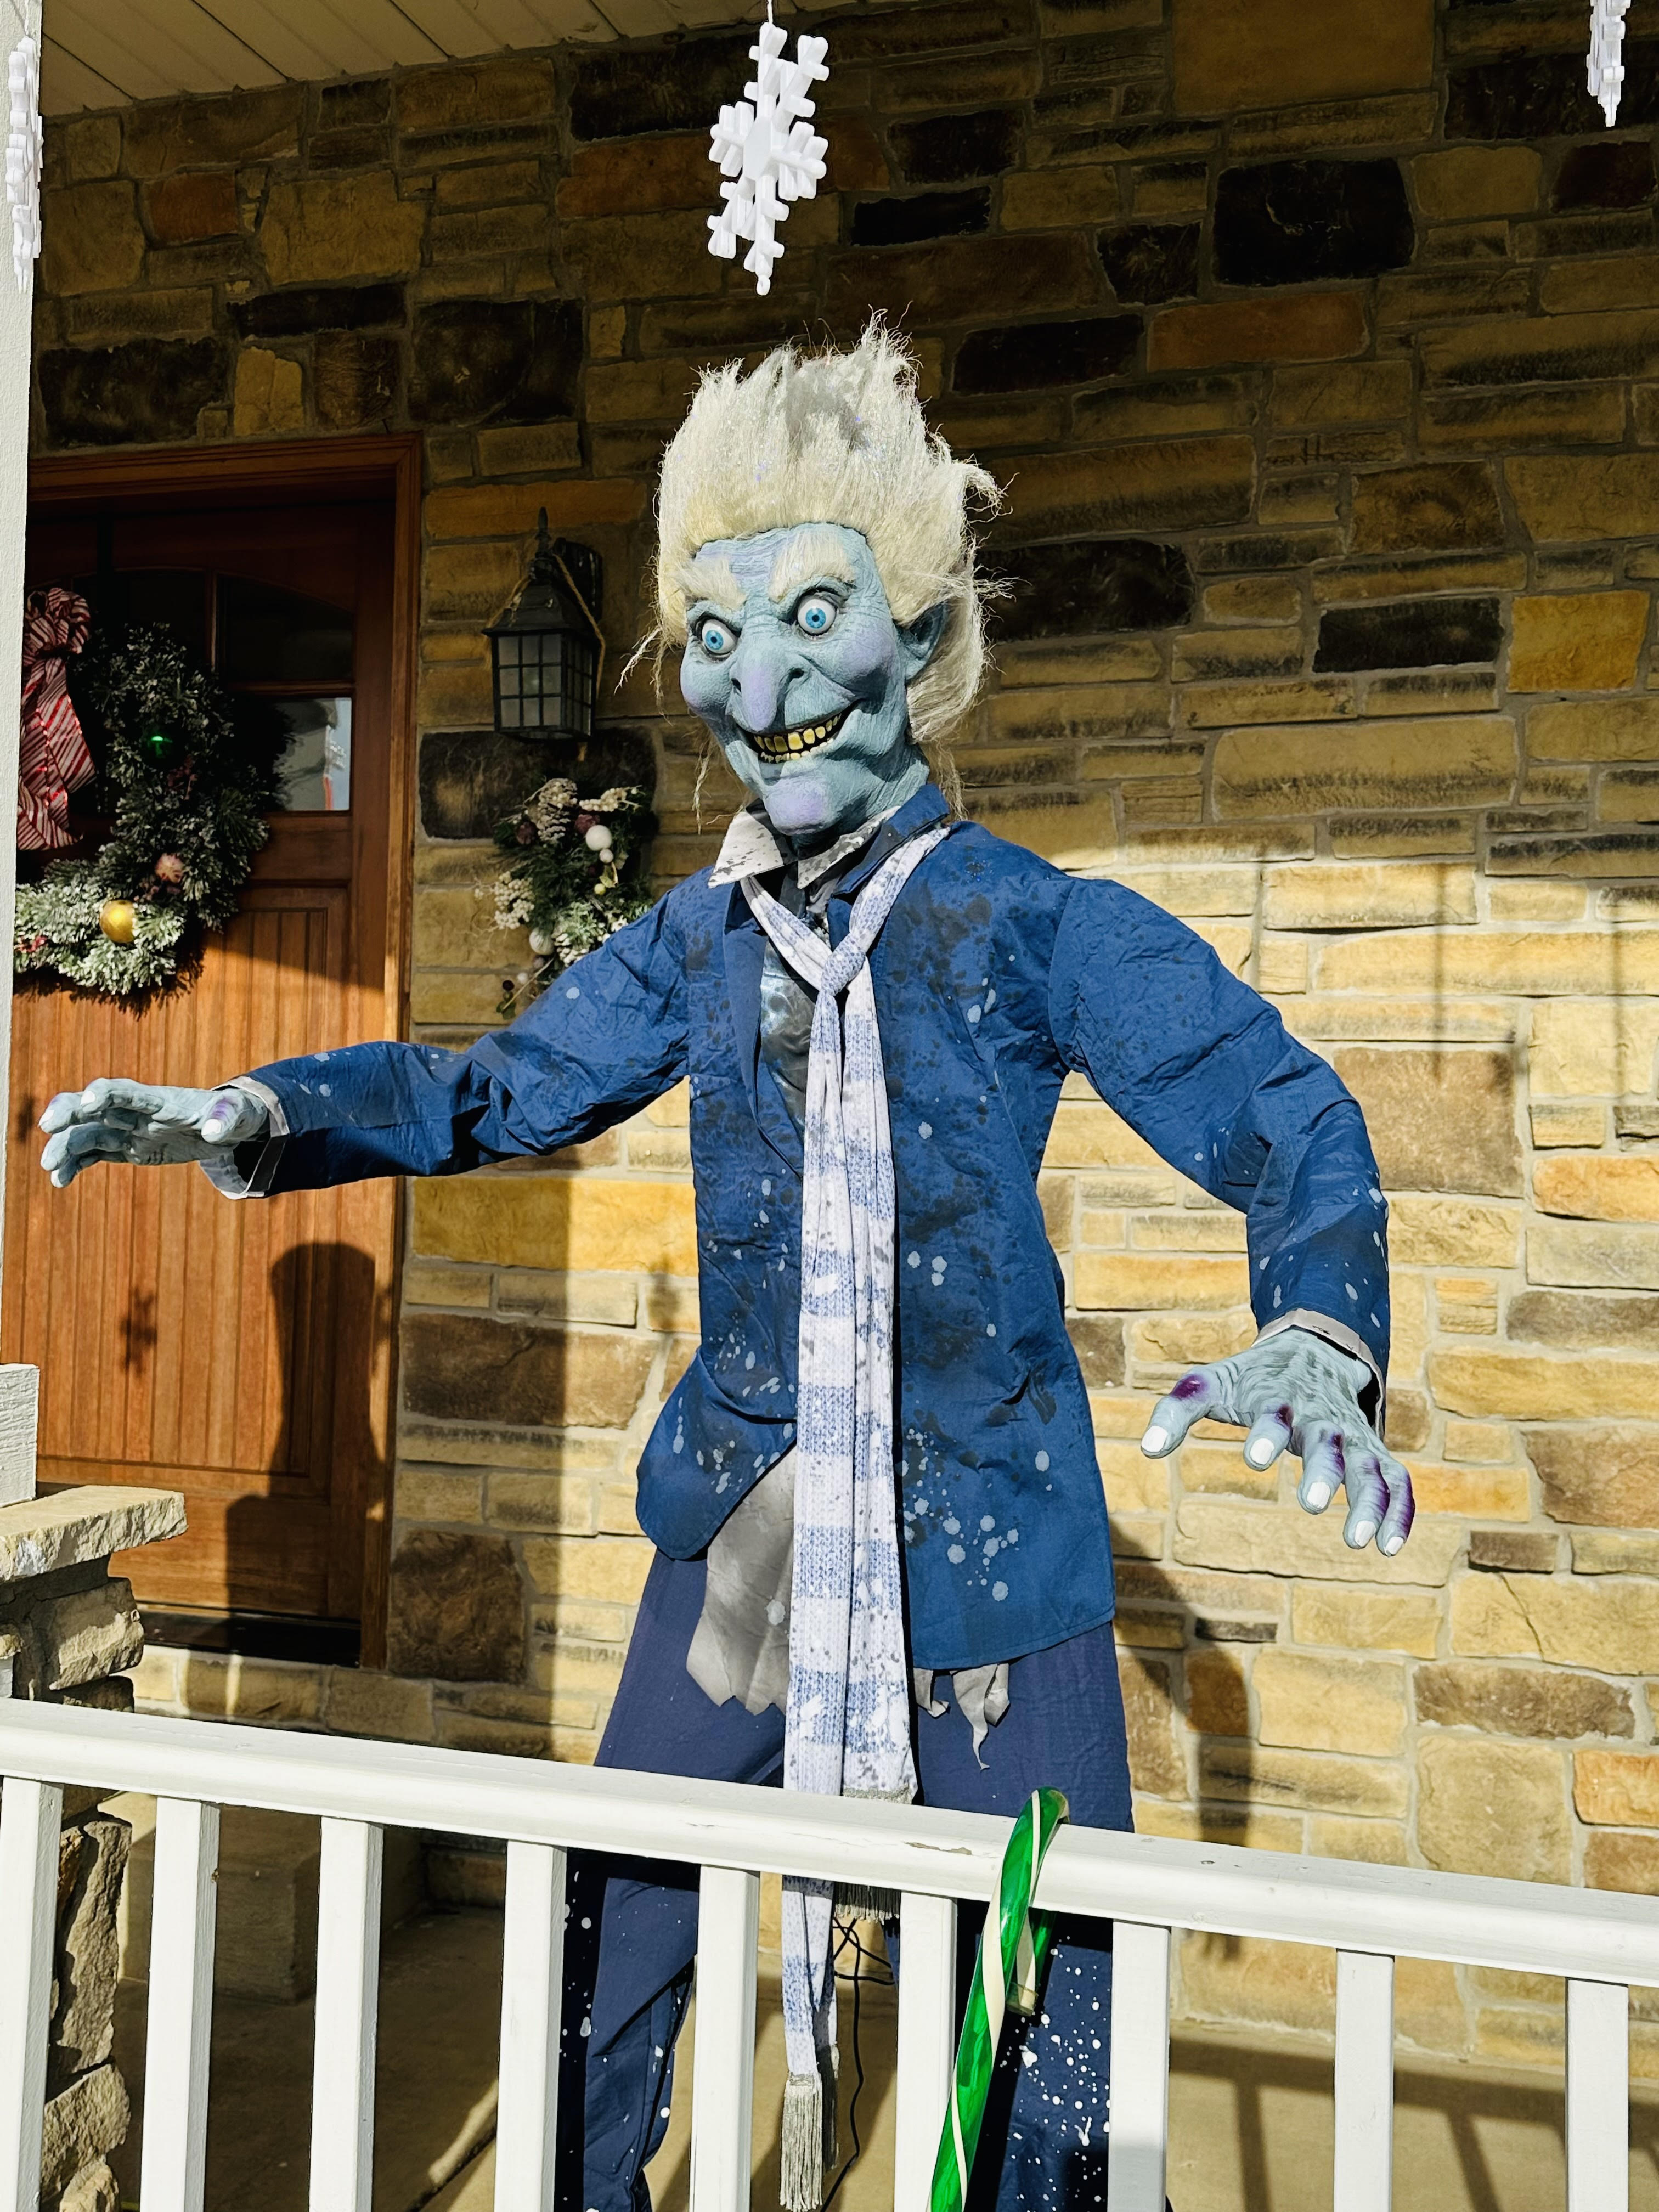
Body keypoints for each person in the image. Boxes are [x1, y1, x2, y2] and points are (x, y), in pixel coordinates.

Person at [40, 325, 1412, 2212]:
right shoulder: (701, 945)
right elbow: (494, 1088)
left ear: (922, 647)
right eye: (717, 633)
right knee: (607, 1949)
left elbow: (1277, 1106)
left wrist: (1321, 1324)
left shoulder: (1028, 924)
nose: (762, 683)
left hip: (993, 1559)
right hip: (750, 1562)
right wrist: (267, 1114)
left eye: (817, 616)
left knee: (1057, 2010)